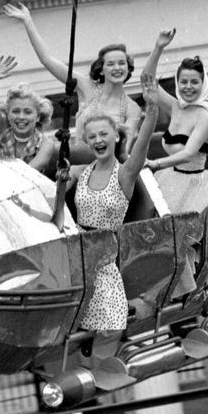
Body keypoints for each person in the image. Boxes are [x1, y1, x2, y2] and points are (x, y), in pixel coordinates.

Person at [69, 77, 161, 370]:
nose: (98, 140)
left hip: (105, 255)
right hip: (75, 252)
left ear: (116, 136)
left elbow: (143, 145)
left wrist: (153, 111)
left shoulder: (124, 174)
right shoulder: (80, 172)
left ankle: (105, 364)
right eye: (92, 136)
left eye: (104, 134)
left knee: (107, 320)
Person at [2, 1, 144, 143]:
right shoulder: (86, 86)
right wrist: (28, 21)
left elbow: (126, 148)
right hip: (80, 161)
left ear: (128, 68)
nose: (117, 68)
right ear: (101, 70)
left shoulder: (132, 108)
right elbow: (47, 60)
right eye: (111, 64)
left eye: (121, 63)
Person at [141, 28, 208, 215]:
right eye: (184, 82)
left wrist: (156, 164)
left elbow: (188, 154)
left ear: (203, 84)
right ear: (177, 83)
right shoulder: (175, 106)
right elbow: (147, 83)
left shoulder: (205, 117)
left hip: (197, 187)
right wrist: (158, 47)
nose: (188, 87)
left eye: (194, 82)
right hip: (169, 179)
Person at [0, 54, 59, 174]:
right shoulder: (4, 131)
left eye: (28, 112)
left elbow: (30, 171)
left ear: (38, 116)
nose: (21, 117)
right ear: (8, 114)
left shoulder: (46, 143)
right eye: (15, 111)